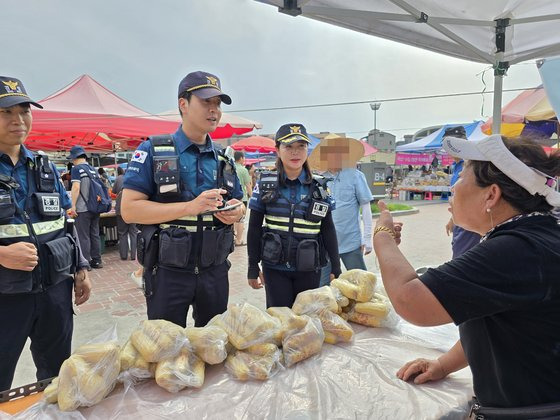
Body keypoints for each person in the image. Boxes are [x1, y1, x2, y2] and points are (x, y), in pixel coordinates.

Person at [374, 134, 560, 414]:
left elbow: (411, 301)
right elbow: (495, 319)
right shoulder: (534, 235)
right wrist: (443, 364)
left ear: (491, 195)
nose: (453, 187)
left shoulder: (518, 249)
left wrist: (383, 238)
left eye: (461, 176)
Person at [121, 70, 244, 328]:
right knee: (166, 350)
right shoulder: (153, 150)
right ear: (183, 104)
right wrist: (190, 207)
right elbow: (129, 210)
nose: (214, 110)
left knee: (214, 346)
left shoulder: (223, 159)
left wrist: (238, 211)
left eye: (217, 104)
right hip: (168, 272)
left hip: (215, 270)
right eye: (206, 102)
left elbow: (238, 203)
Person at [0, 76, 91, 391]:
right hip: (6, 297)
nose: (18, 120)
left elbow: (66, 222)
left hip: (54, 291)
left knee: (56, 379)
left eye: (24, 111)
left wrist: (80, 267)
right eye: (6, 112)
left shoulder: (46, 167)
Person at [247, 123, 341, 308]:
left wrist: (336, 265)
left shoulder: (319, 187)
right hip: (274, 269)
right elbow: (254, 228)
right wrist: (252, 266)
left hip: (309, 268)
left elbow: (328, 229)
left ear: (308, 150)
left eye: (301, 147)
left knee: (305, 321)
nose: (295, 152)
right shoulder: (265, 184)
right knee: (280, 321)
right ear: (277, 150)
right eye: (288, 147)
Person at [312, 137, 373, 287]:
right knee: (323, 287)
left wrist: (367, 238)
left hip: (350, 241)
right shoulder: (318, 179)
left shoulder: (356, 176)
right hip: (324, 243)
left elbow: (365, 207)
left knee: (362, 283)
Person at [443, 126, 481, 258]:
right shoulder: (457, 166)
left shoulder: (471, 164)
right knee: (459, 253)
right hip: (460, 220)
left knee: (462, 257)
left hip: (471, 221)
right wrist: (453, 219)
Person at [68, 145, 104, 269]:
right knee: (94, 234)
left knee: (83, 236)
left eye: (72, 159)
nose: (72, 161)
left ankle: (86, 262)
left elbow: (76, 187)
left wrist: (73, 206)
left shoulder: (76, 169)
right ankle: (97, 260)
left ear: (75, 158)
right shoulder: (93, 169)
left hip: (83, 208)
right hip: (95, 207)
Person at [112, 166, 138, 261]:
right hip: (133, 209)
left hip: (121, 208)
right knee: (133, 232)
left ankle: (123, 256)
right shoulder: (136, 178)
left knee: (122, 233)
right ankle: (133, 255)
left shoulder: (119, 178)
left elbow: (114, 191)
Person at [233, 150, 252, 246]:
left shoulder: (230, 166)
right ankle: (239, 240)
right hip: (242, 198)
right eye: (244, 158)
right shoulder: (243, 170)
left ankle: (234, 235)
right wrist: (252, 196)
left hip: (231, 198)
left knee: (233, 218)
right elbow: (248, 185)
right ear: (240, 158)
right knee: (240, 219)